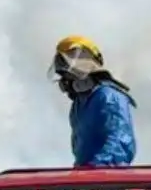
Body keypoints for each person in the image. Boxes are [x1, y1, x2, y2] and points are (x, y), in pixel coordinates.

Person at [52, 35, 136, 167]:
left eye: (69, 74)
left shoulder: (108, 96)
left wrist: (95, 169)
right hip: (87, 180)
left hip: (108, 180)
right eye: (64, 75)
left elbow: (120, 143)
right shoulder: (78, 104)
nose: (67, 80)